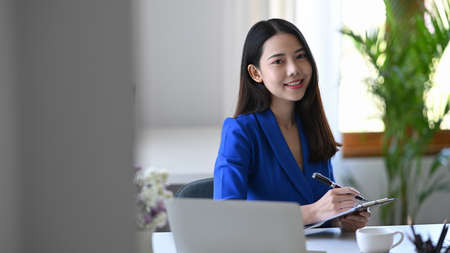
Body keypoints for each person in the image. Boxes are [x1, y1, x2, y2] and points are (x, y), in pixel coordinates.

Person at [213, 18, 369, 231]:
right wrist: (314, 211)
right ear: (255, 73)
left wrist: (339, 217)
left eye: (300, 56)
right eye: (278, 61)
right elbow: (226, 216)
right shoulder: (241, 131)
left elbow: (316, 213)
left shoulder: (313, 127)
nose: (294, 69)